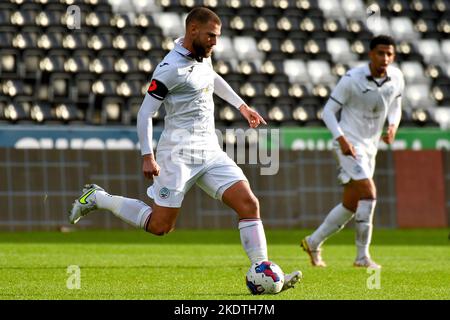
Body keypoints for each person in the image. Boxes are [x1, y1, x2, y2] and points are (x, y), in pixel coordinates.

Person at [69, 7, 301, 292]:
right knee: (160, 226)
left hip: (210, 150)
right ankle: (98, 197)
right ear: (194, 31)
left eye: (217, 37)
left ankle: (262, 269)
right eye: (211, 36)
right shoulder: (169, 69)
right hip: (176, 156)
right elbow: (145, 114)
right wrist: (147, 155)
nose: (215, 42)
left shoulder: (203, 57)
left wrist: (242, 106)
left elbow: (212, 79)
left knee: (249, 203)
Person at [301, 35, 404, 269]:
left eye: (389, 54)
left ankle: (313, 241)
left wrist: (393, 126)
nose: (385, 58)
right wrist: (342, 139)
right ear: (370, 54)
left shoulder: (397, 77)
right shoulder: (351, 79)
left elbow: (396, 106)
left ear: (393, 56)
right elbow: (328, 112)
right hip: (348, 143)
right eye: (380, 53)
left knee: (351, 204)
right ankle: (362, 257)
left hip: (370, 147)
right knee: (369, 194)